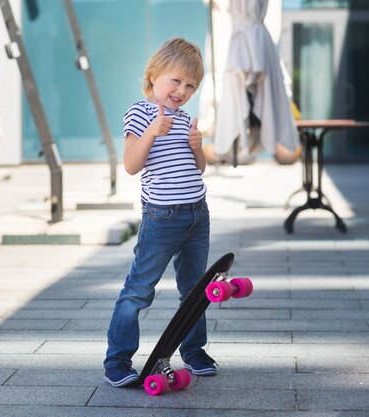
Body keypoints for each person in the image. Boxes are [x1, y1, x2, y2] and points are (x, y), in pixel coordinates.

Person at [103, 37, 215, 387]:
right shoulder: (139, 113)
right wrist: (153, 131)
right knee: (139, 290)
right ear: (153, 76)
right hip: (162, 218)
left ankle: (193, 351)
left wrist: (199, 149)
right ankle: (117, 360)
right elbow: (131, 165)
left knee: (195, 289)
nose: (181, 90)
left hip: (197, 214)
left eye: (190, 85)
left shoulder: (184, 120)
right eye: (175, 80)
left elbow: (196, 169)